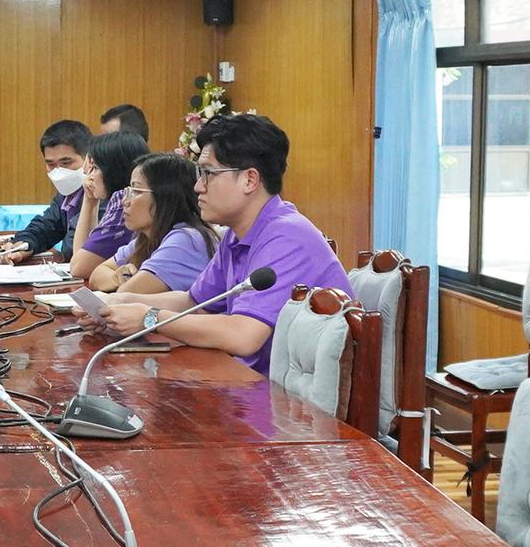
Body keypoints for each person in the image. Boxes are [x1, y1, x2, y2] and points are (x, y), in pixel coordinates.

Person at [96, 113, 349, 372]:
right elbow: (194, 302)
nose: (197, 186)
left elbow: (243, 335)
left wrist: (149, 318)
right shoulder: (237, 233)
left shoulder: (286, 236)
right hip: (245, 381)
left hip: (287, 402)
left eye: (207, 174)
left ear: (250, 180)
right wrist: (120, 302)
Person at [87, 151, 216, 294]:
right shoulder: (148, 237)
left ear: (166, 197)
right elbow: (96, 275)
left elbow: (126, 294)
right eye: (129, 190)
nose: (125, 201)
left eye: (136, 191)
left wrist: (120, 283)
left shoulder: (186, 240)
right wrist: (116, 278)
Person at [0, 119, 91, 262]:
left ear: (89, 159)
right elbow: (45, 227)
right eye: (51, 164)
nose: (59, 171)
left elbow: (73, 250)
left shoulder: (101, 194)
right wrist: (22, 246)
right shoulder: (66, 195)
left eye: (66, 163)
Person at [67, 129, 150, 280]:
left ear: (114, 170)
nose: (89, 176)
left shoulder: (123, 202)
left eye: (96, 168)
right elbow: (81, 256)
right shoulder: (122, 199)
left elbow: (78, 268)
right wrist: (90, 200)